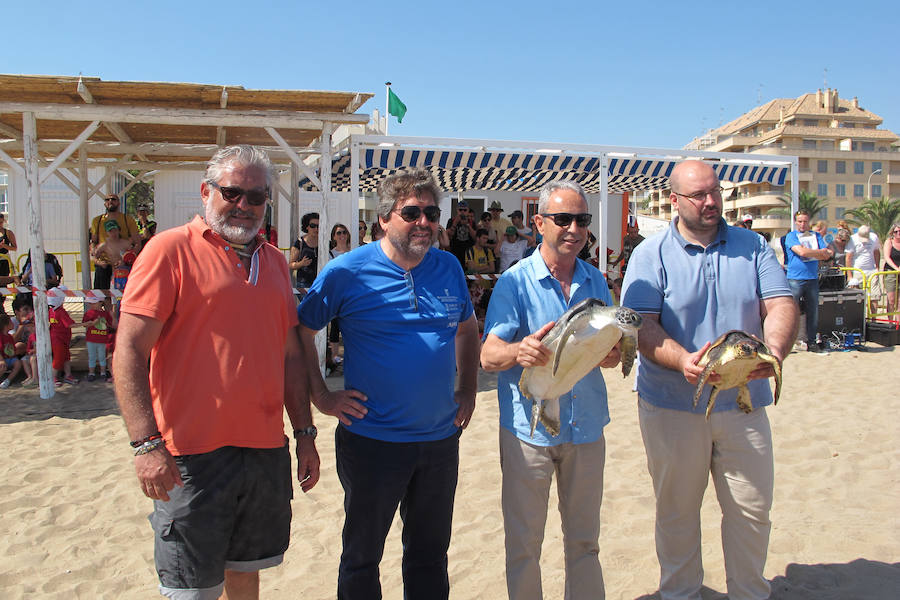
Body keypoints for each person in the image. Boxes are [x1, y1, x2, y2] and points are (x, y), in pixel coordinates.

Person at [113, 144, 319, 600]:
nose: (244, 206)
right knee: (191, 589)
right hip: (189, 455)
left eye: (256, 197)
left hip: (264, 452)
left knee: (246, 576)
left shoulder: (275, 262)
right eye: (232, 193)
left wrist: (304, 433)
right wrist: (146, 444)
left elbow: (288, 356)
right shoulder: (168, 250)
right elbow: (129, 350)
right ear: (207, 192)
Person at [296, 167, 479, 599]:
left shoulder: (448, 266)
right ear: (383, 218)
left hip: (439, 441)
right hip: (372, 442)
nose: (424, 223)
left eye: (432, 213)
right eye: (411, 212)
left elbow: (468, 329)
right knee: (362, 557)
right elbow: (301, 331)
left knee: (430, 556)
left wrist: (468, 389)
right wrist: (322, 396)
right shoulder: (347, 271)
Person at [621, 160, 797, 600]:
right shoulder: (650, 254)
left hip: (744, 402)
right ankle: (681, 593)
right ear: (675, 200)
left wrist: (773, 352)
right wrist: (682, 359)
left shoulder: (753, 245)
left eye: (715, 191)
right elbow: (640, 324)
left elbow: (780, 304)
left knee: (752, 509)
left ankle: (750, 593)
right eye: (699, 195)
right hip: (673, 406)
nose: (711, 201)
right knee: (677, 511)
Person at [480, 180, 619, 600]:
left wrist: (610, 355)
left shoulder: (596, 280)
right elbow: (488, 355)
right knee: (524, 546)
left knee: (585, 543)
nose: (574, 229)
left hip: (587, 427)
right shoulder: (513, 283)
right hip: (529, 432)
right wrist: (519, 349)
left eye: (582, 220)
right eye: (563, 219)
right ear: (539, 223)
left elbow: (607, 350)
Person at [783, 209, 833, 352]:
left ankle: (811, 341)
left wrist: (817, 253)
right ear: (795, 222)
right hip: (795, 278)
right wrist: (819, 253)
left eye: (805, 221)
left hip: (812, 278)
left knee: (813, 312)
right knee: (791, 312)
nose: (803, 224)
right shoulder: (791, 236)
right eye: (800, 221)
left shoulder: (816, 236)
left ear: (809, 222)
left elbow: (828, 254)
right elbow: (802, 252)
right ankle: (787, 341)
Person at [90, 193, 139, 289]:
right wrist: (97, 258)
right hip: (104, 265)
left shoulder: (127, 219)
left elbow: (137, 243)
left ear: (119, 202)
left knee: (123, 293)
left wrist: (127, 259)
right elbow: (93, 242)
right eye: (107, 200)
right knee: (102, 295)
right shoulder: (97, 220)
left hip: (123, 266)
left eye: (113, 199)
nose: (110, 201)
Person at [846, 225, 882, 312]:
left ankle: (873, 319)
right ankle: (858, 318)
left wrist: (877, 267)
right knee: (857, 297)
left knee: (874, 296)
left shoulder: (874, 237)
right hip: (857, 271)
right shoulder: (852, 239)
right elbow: (848, 258)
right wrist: (849, 275)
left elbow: (876, 252)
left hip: (872, 271)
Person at [47, 289, 79, 386]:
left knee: (66, 357)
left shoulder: (51, 311)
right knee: (59, 358)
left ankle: (68, 375)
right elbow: (69, 325)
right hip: (59, 339)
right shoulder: (60, 312)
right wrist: (86, 324)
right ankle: (53, 378)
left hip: (61, 339)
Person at [83, 296, 115, 382]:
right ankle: (91, 373)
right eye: (90, 303)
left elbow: (111, 325)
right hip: (91, 339)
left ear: (101, 302)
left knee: (102, 357)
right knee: (92, 357)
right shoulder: (88, 313)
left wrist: (110, 319)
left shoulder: (106, 313)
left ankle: (103, 372)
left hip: (102, 339)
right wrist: (93, 323)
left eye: (93, 303)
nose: (91, 305)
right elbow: (84, 324)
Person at [289, 212, 319, 288]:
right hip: (303, 283)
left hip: (321, 282)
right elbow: (290, 264)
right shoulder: (299, 243)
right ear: (307, 227)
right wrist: (301, 264)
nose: (316, 229)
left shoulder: (325, 243)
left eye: (318, 226)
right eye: (313, 226)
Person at [446, 200, 477, 267]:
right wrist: (455, 223)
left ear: (468, 211)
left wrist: (468, 225)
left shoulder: (471, 222)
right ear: (457, 210)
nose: (462, 212)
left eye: (465, 210)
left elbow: (475, 237)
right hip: (455, 251)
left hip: (468, 252)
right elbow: (449, 236)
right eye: (460, 210)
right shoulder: (451, 220)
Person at [0, 312, 23, 388]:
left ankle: (8, 380)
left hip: (10, 358)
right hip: (3, 359)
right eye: (10, 322)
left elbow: (12, 349)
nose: (12, 323)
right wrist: (2, 360)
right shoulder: (1, 337)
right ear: (6, 325)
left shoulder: (10, 337)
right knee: (2, 366)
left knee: (18, 363)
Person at [882, 223, 900, 320]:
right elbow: (887, 257)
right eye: (896, 231)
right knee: (891, 299)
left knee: (899, 300)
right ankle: (890, 322)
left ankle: (898, 323)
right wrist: (897, 268)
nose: (898, 233)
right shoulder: (889, 242)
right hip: (891, 271)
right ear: (892, 233)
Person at [0, 212, 18, 283]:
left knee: (4, 282)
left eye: (1, 222)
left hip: (4, 261)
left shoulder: (8, 233)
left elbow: (15, 248)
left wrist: (5, 246)